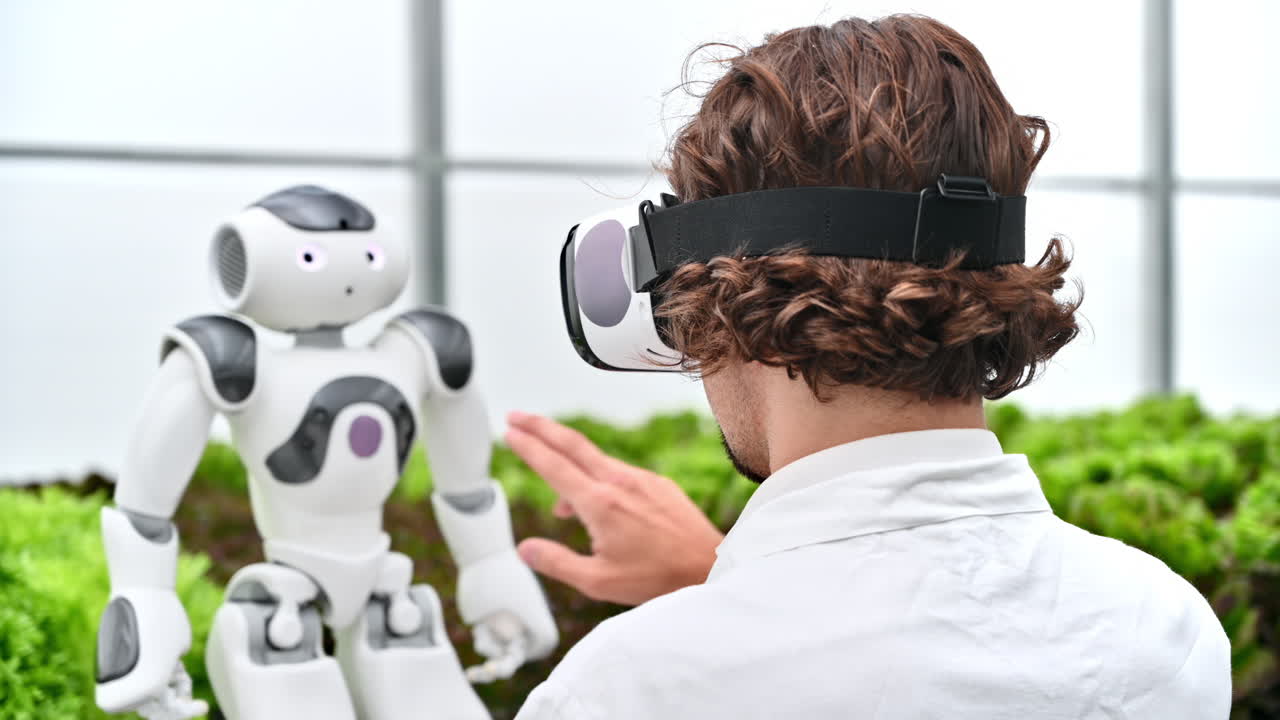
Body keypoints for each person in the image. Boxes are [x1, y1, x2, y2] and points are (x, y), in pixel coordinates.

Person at [509, 15, 1232, 720]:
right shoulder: (1166, 631)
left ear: (701, 294)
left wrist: (717, 592)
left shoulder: (628, 689)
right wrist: (716, 575)